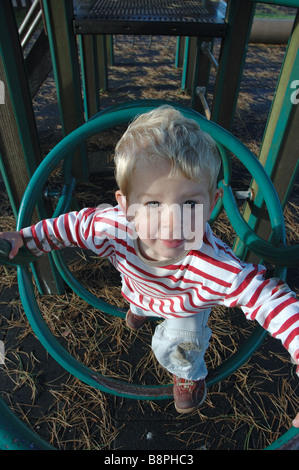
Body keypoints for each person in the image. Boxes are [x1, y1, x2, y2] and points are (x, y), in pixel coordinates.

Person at [1, 106, 299, 424]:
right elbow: (71, 226)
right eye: (153, 202)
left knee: (182, 344)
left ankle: (188, 374)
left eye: (189, 203)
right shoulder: (112, 227)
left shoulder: (214, 267)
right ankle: (140, 308)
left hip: (185, 303)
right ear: (127, 207)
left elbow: (268, 298)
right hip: (139, 285)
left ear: (211, 205)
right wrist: (28, 239)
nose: (171, 222)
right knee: (136, 294)